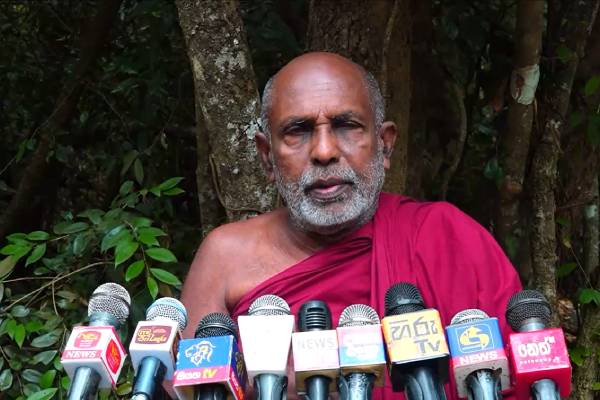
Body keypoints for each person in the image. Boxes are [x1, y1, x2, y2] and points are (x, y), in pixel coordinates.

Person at [180, 52, 522, 399]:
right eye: (298, 131)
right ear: (267, 156)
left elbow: (516, 383)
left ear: (384, 145)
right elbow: (189, 389)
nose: (324, 151)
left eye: (346, 126)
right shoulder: (226, 257)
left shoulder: (448, 237)